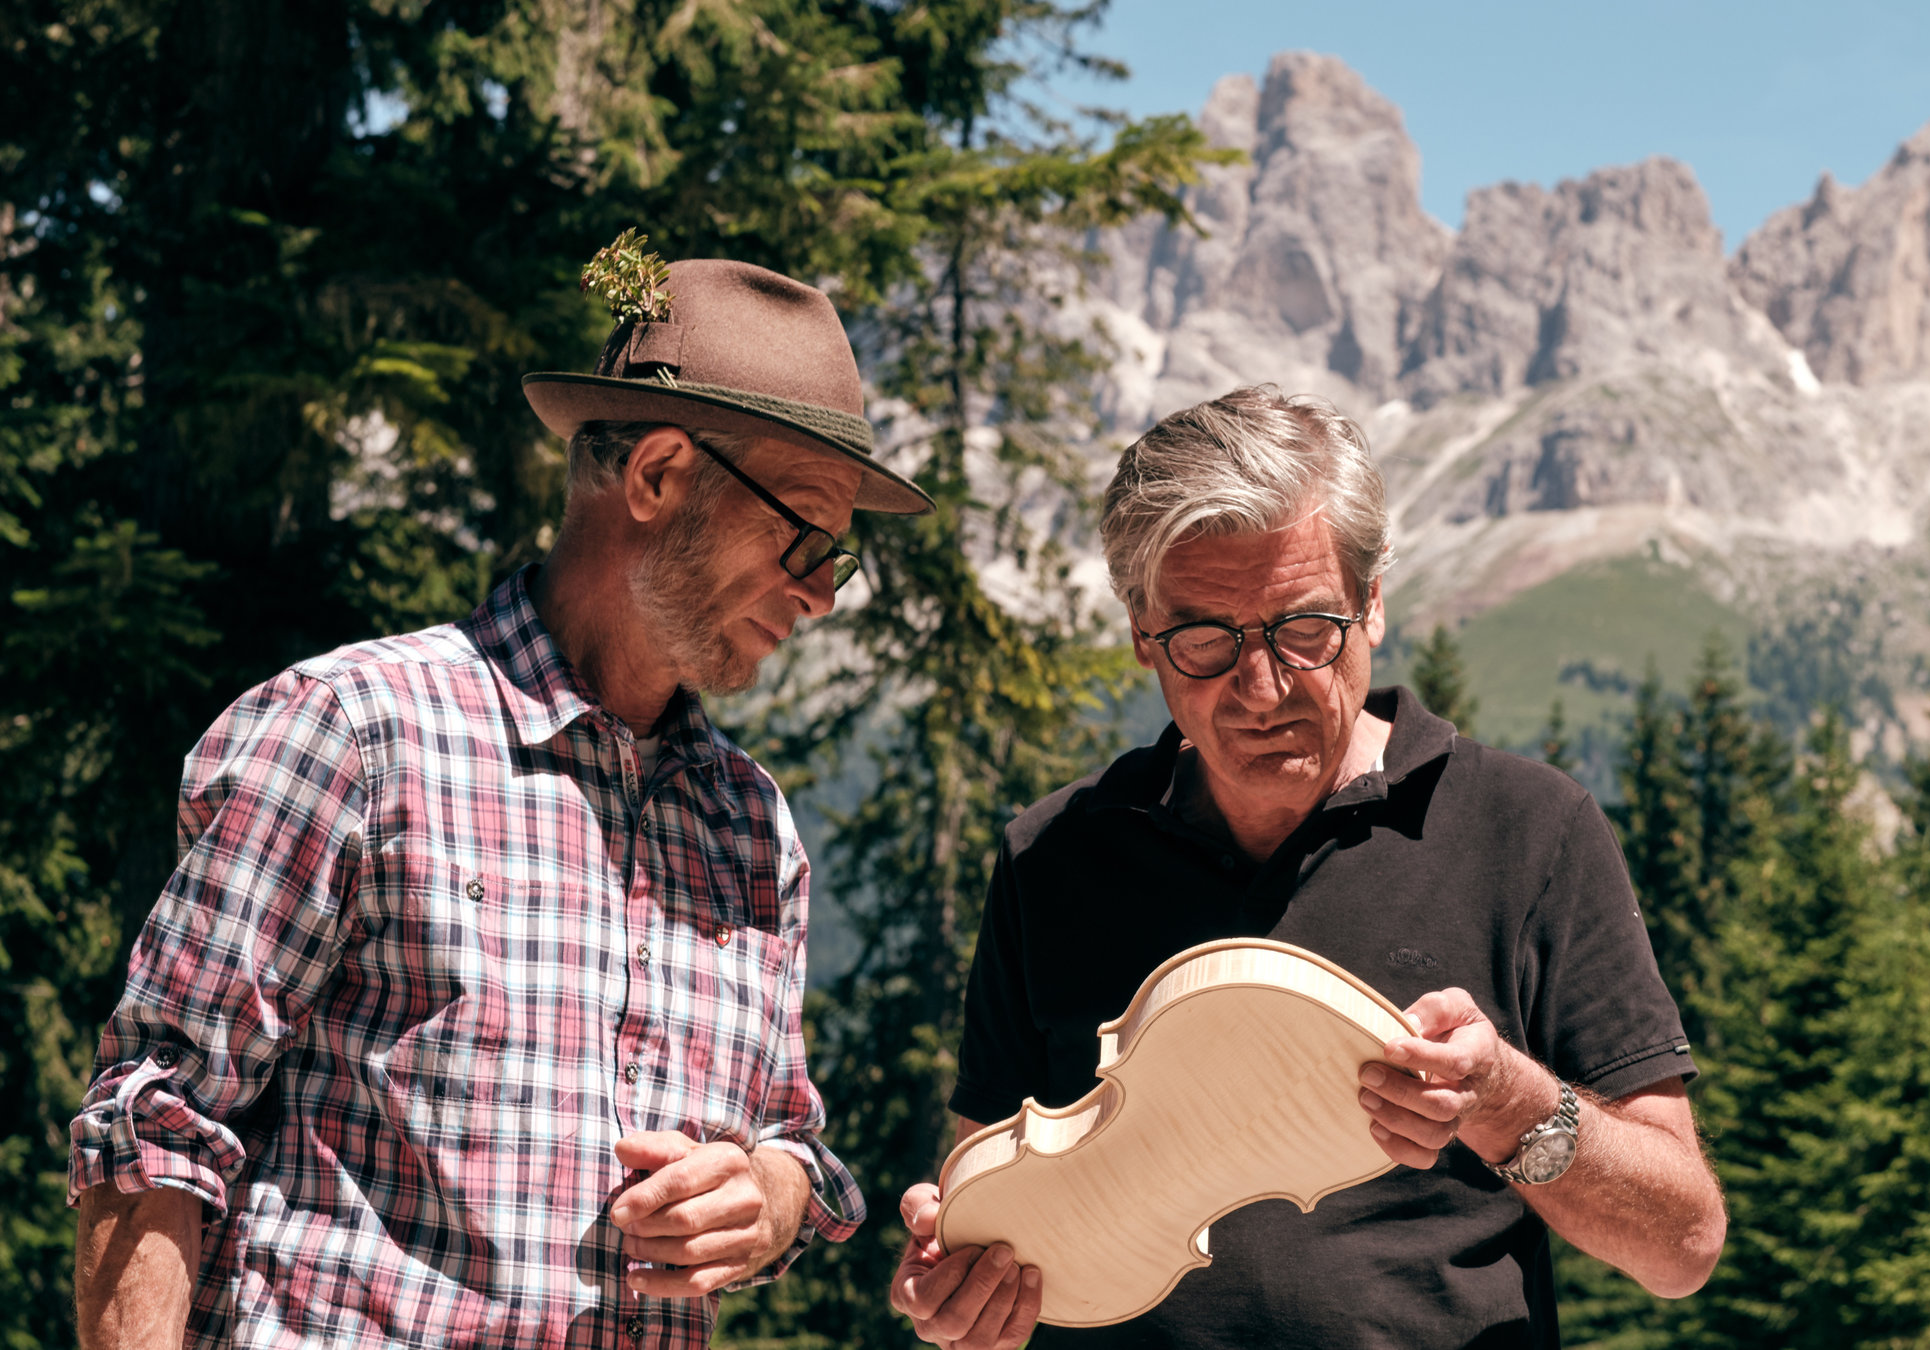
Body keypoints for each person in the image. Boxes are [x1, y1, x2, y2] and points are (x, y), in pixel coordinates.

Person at [69, 250, 933, 1350]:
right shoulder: (352, 730)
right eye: (802, 535)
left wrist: (765, 1200)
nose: (819, 592)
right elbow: (156, 1125)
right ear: (659, 475)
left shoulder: (752, 828)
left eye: (837, 559)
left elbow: (791, 1146)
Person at [888, 386, 1726, 1349]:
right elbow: (991, 1201)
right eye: (1204, 640)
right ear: (1139, 634)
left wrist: (1507, 1103)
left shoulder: (1530, 832)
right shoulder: (1054, 856)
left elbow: (1683, 1245)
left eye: (1302, 630)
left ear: (1371, 605)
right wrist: (957, 1297)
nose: (1261, 688)